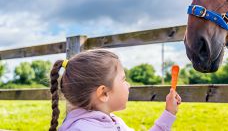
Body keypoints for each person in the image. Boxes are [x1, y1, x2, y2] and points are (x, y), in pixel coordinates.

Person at [49, 49, 181, 131]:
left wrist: (169, 113)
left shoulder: (113, 122)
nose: (128, 85)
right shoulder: (82, 129)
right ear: (104, 93)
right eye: (123, 80)